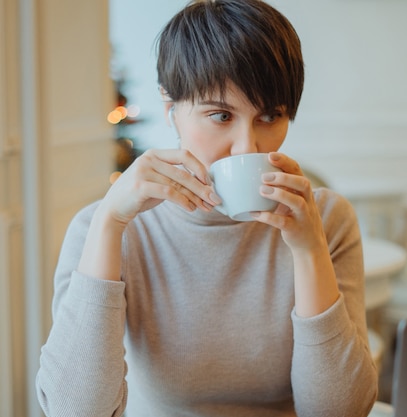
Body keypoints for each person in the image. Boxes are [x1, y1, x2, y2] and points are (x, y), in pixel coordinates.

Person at [36, 1, 378, 416]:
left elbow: (339, 411)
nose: (247, 146)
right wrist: (110, 224)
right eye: (220, 115)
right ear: (171, 110)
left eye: (270, 116)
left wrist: (309, 252)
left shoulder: (327, 221)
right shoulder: (105, 227)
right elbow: (76, 411)